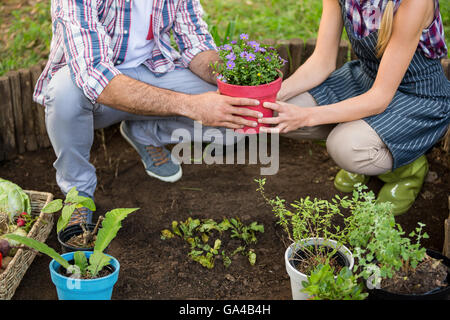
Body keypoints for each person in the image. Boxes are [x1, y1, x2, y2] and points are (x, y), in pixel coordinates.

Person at [33, 0, 262, 225]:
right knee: (63, 94)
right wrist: (192, 105)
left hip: (153, 70)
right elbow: (94, 74)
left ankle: (145, 132)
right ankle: (78, 193)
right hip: (96, 90)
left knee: (237, 112)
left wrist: (236, 77)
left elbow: (196, 46)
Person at [258, 0, 449, 215]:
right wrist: (269, 98)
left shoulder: (414, 3)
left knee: (345, 146)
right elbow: (322, 61)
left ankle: (408, 169)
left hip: (417, 95)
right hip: (366, 79)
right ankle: (364, 145)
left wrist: (307, 116)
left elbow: (379, 98)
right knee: (278, 111)